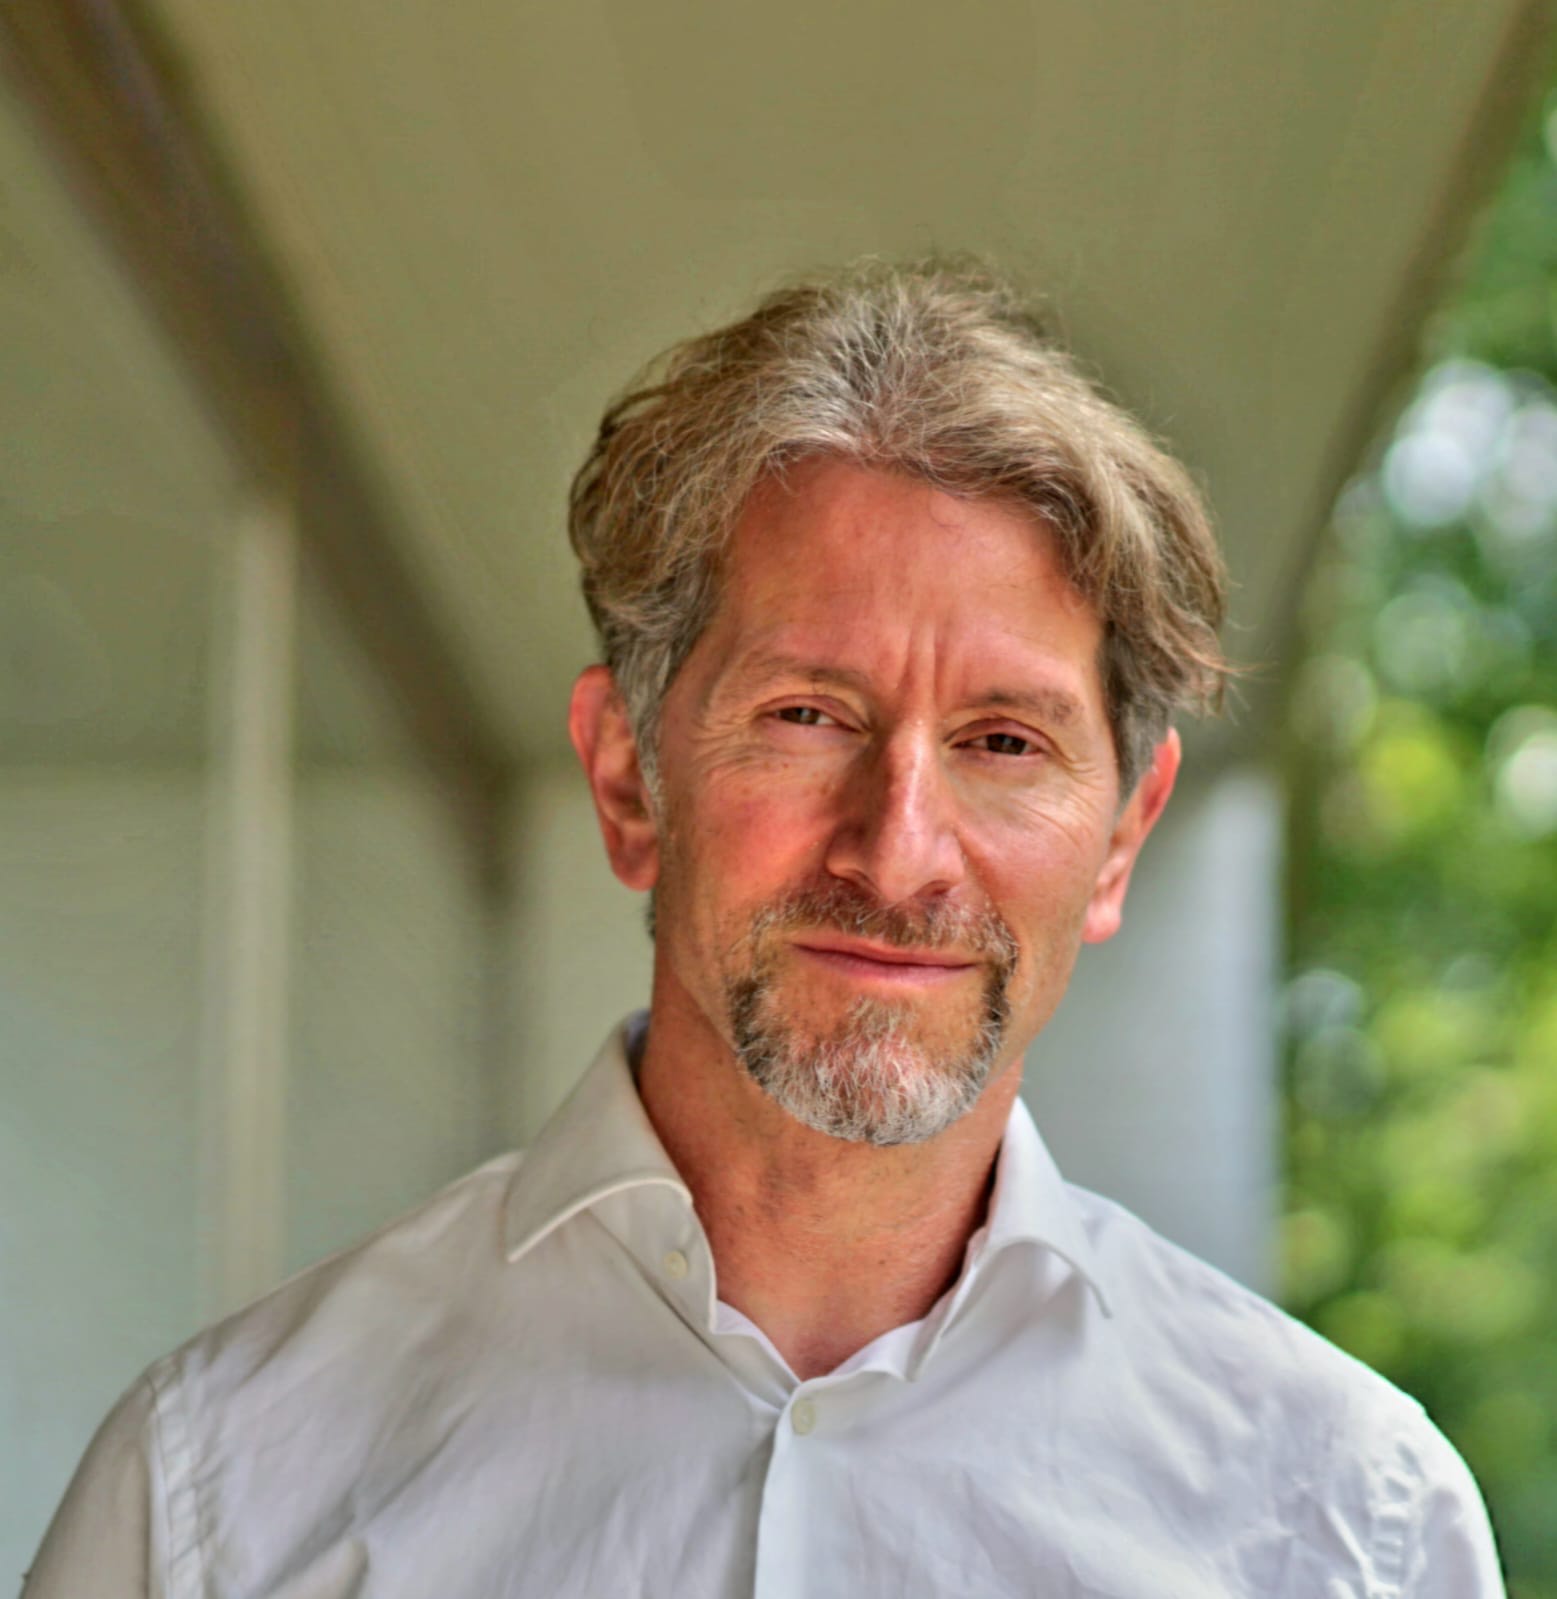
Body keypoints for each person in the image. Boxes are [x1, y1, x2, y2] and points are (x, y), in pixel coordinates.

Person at [24, 261, 1503, 1597]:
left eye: (1003, 742)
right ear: (628, 778)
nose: (899, 853)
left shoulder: (1346, 1528)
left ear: (1121, 836)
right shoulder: (215, 1496)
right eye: (807, 716)